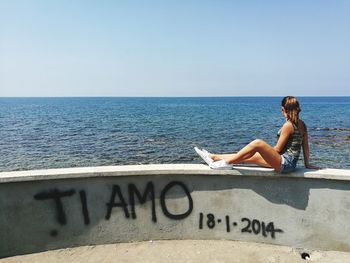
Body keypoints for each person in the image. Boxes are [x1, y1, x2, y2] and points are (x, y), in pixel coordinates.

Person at [195, 96, 319, 173]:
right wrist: (307, 164)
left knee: (257, 143)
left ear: (283, 109)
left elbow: (277, 149)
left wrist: (265, 151)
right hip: (290, 164)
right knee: (246, 157)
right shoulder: (302, 124)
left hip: (284, 164)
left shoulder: (288, 125)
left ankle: (225, 164)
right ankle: (213, 157)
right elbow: (305, 147)